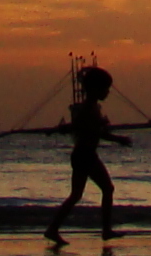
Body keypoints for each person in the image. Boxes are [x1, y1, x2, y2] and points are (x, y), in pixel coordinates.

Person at [45, 64, 127, 240]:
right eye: (105, 89)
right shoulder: (89, 108)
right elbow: (96, 132)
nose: (107, 92)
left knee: (76, 195)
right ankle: (106, 231)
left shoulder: (91, 107)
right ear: (95, 89)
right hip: (86, 156)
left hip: (82, 155)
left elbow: (83, 127)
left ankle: (53, 229)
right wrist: (119, 139)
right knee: (107, 189)